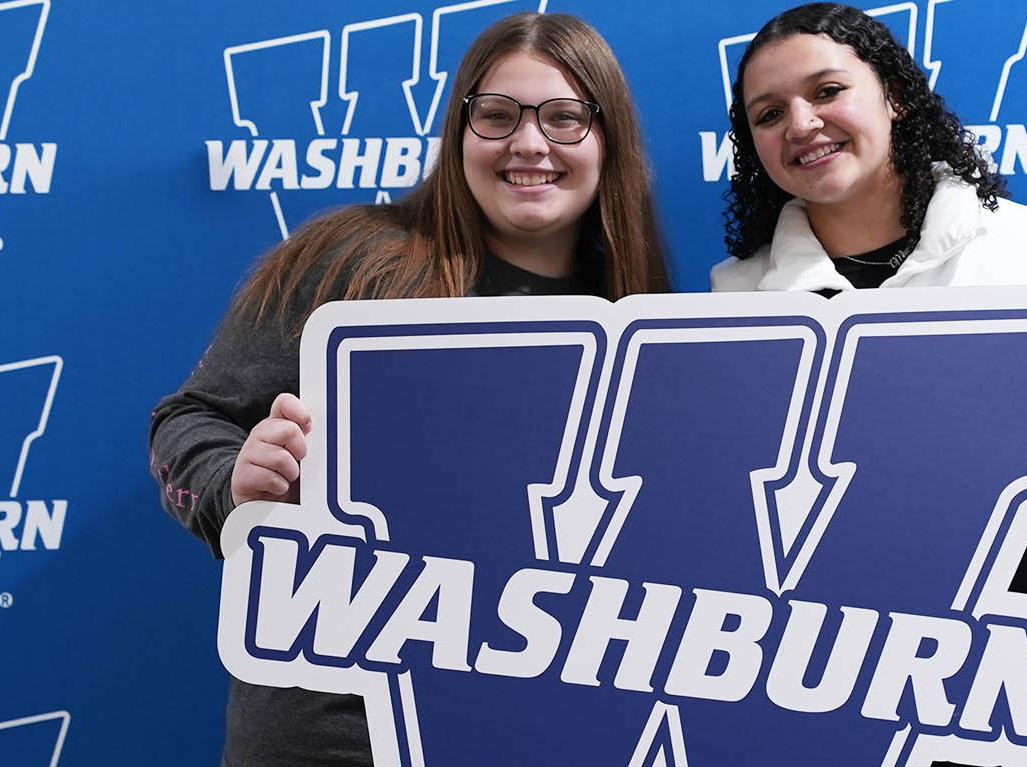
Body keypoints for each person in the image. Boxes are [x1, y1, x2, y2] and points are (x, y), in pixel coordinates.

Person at [149, 12, 669, 765]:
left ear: (608, 139)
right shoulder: (354, 259)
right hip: (334, 733)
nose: (528, 144)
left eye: (564, 118)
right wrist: (236, 481)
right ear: (460, 132)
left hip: (540, 725)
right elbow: (187, 420)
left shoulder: (638, 315)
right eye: (496, 116)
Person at [712, 4, 1027, 764]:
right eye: (768, 111)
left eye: (827, 91)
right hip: (811, 691)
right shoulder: (734, 300)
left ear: (893, 95)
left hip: (1003, 698)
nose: (802, 122)